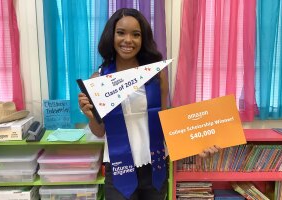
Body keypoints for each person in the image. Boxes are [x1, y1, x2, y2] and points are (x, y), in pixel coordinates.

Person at [78, 8, 219, 200]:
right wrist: (90, 115)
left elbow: (165, 120)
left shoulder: (156, 74)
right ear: (111, 36)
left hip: (155, 166)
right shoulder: (99, 79)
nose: (128, 40)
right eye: (121, 33)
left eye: (136, 34)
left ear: (143, 39)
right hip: (119, 168)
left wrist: (196, 144)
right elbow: (99, 131)